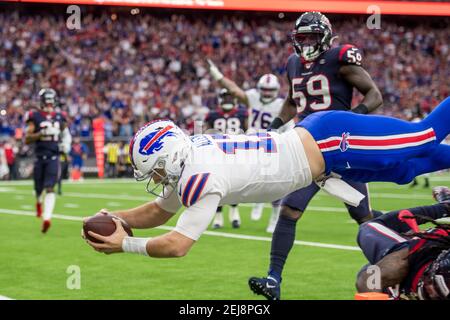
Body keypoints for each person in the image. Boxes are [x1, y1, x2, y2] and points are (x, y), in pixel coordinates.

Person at [82, 96, 450, 267]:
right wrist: (117, 218)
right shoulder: (191, 158)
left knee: (425, 135)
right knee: (408, 170)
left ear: (169, 157)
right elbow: (157, 211)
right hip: (328, 161)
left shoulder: (200, 176)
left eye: (157, 171)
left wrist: (124, 246)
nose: (158, 180)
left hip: (332, 139)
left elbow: (177, 245)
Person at [249, 11, 384, 299]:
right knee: (289, 210)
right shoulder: (293, 63)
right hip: (307, 147)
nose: (306, 43)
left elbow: (374, 95)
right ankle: (273, 280)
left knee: (365, 219)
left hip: (340, 149)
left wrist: (353, 119)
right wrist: (272, 127)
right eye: (302, 38)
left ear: (324, 37)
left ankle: (394, 265)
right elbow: (291, 100)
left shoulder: (340, 59)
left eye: (311, 37)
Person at [207, 62, 294, 233]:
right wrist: (217, 75)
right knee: (249, 179)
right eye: (265, 89)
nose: (267, 93)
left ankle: (274, 215)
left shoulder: (280, 104)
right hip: (253, 144)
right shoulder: (252, 97)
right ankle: (258, 201)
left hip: (272, 145)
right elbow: (233, 89)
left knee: (275, 184)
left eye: (270, 90)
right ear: (260, 88)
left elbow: (290, 126)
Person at [355, 186, 450, 300]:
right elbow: (368, 278)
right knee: (368, 227)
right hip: (418, 253)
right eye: (436, 288)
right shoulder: (403, 264)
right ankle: (445, 207)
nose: (432, 292)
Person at [204, 88, 248, 229]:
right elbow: (206, 133)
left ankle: (234, 213)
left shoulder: (242, 113)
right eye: (225, 96)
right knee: (218, 185)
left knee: (235, 185)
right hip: (218, 155)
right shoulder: (212, 114)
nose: (228, 99)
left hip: (235, 154)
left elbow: (246, 132)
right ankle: (218, 217)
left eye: (230, 96)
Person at [24, 88, 66, 233]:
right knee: (38, 189)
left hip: (53, 157)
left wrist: (65, 144)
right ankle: (38, 202)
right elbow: (27, 138)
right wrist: (41, 133)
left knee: (50, 188)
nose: (49, 105)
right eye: (46, 102)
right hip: (39, 157)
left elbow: (66, 133)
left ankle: (47, 218)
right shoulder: (34, 116)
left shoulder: (60, 116)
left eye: (50, 102)